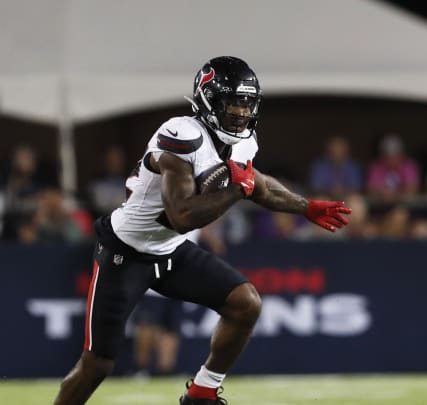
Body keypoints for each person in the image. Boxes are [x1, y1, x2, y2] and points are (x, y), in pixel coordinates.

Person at [53, 56, 352, 405]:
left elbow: (259, 185)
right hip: (126, 252)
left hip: (170, 250)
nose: (241, 112)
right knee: (98, 363)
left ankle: (202, 393)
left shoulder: (243, 141)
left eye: (246, 103)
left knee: (245, 303)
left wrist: (305, 206)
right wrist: (235, 190)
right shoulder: (180, 135)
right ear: (209, 101)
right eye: (233, 102)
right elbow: (181, 214)